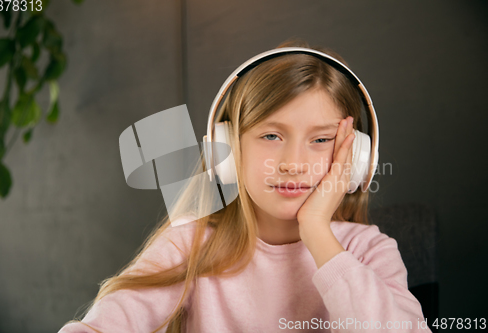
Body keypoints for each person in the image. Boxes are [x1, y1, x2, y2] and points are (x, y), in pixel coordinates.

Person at [58, 39, 431, 333]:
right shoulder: (189, 244)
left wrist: (317, 230)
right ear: (227, 150)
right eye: (270, 135)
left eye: (320, 140)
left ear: (356, 158)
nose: (292, 163)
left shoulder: (369, 250)